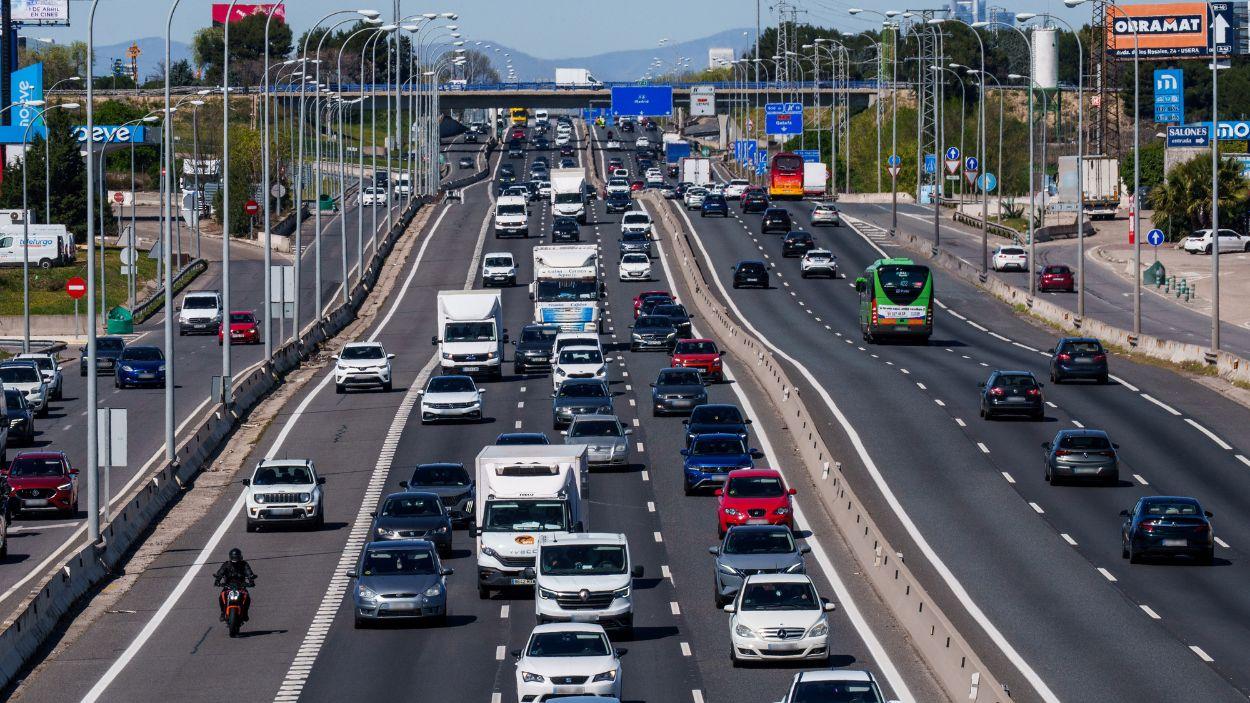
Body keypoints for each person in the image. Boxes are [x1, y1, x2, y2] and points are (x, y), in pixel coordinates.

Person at [213, 547, 256, 622]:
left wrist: (251, 580)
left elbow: (249, 573)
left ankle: (245, 613)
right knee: (222, 596)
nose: (235, 559)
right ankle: (223, 613)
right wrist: (217, 580)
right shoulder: (226, 564)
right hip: (228, 585)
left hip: (241, 585)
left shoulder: (244, 564)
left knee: (247, 597)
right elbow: (220, 572)